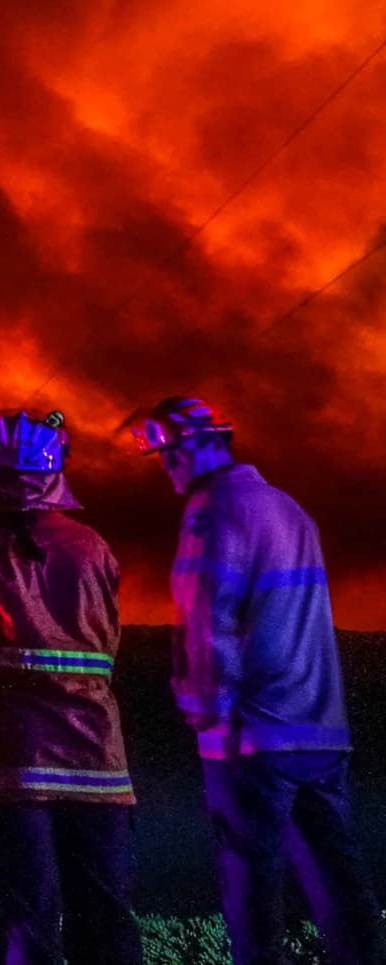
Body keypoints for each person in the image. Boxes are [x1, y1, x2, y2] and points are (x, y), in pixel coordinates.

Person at [137, 395, 381, 965]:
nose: (165, 469)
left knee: (252, 894)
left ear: (194, 447)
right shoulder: (291, 510)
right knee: (339, 884)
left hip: (250, 738)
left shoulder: (212, 510)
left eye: (167, 456)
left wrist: (203, 711)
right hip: (321, 732)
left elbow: (208, 617)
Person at [0, 410, 142, 965]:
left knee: (27, 921)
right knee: (106, 921)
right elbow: (107, 647)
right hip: (98, 769)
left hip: (7, 767)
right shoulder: (93, 548)